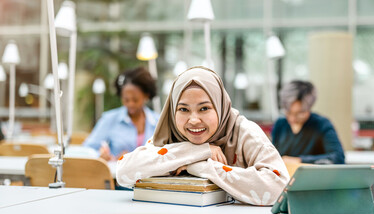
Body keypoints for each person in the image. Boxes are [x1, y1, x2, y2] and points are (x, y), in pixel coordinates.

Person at [117, 66, 289, 205]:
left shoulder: (244, 132)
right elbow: (124, 173)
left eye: (204, 108)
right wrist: (197, 150)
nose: (193, 120)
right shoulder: (170, 133)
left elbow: (279, 188)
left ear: (219, 107)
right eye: (183, 109)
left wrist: (200, 167)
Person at [83, 67, 159, 161]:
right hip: (117, 174)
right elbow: (87, 148)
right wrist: (100, 155)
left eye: (135, 100)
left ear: (146, 96)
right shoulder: (110, 119)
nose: (130, 104)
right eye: (126, 99)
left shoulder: (158, 122)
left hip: (150, 175)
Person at [272, 80, 345, 164]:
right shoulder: (280, 124)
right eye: (288, 113)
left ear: (309, 108)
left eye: (299, 114)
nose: (292, 119)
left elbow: (338, 158)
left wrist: (300, 161)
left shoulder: (322, 125)